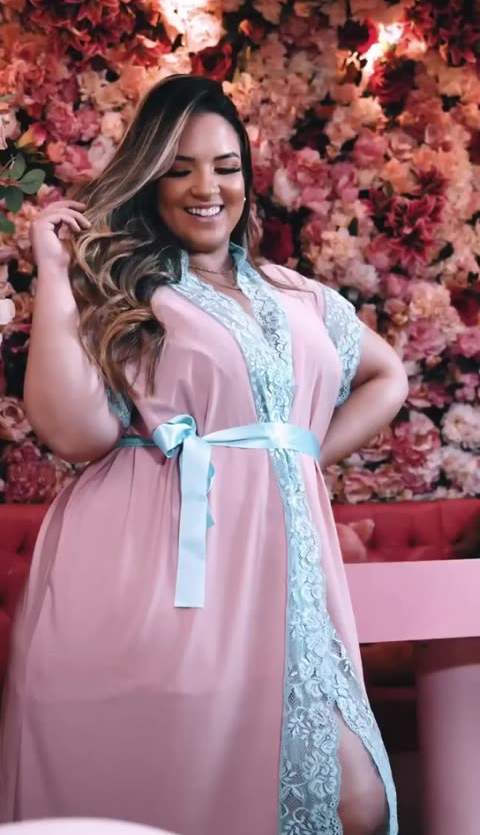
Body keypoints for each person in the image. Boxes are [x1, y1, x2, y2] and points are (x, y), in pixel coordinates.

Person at [0, 75, 408, 835]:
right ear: (151, 180)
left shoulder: (298, 295)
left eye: (225, 167)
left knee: (357, 801)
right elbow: (76, 435)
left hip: (278, 567)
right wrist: (54, 276)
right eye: (180, 169)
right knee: (177, 784)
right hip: (151, 568)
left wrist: (292, 461)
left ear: (247, 177)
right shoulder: (126, 289)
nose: (206, 188)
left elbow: (388, 377)